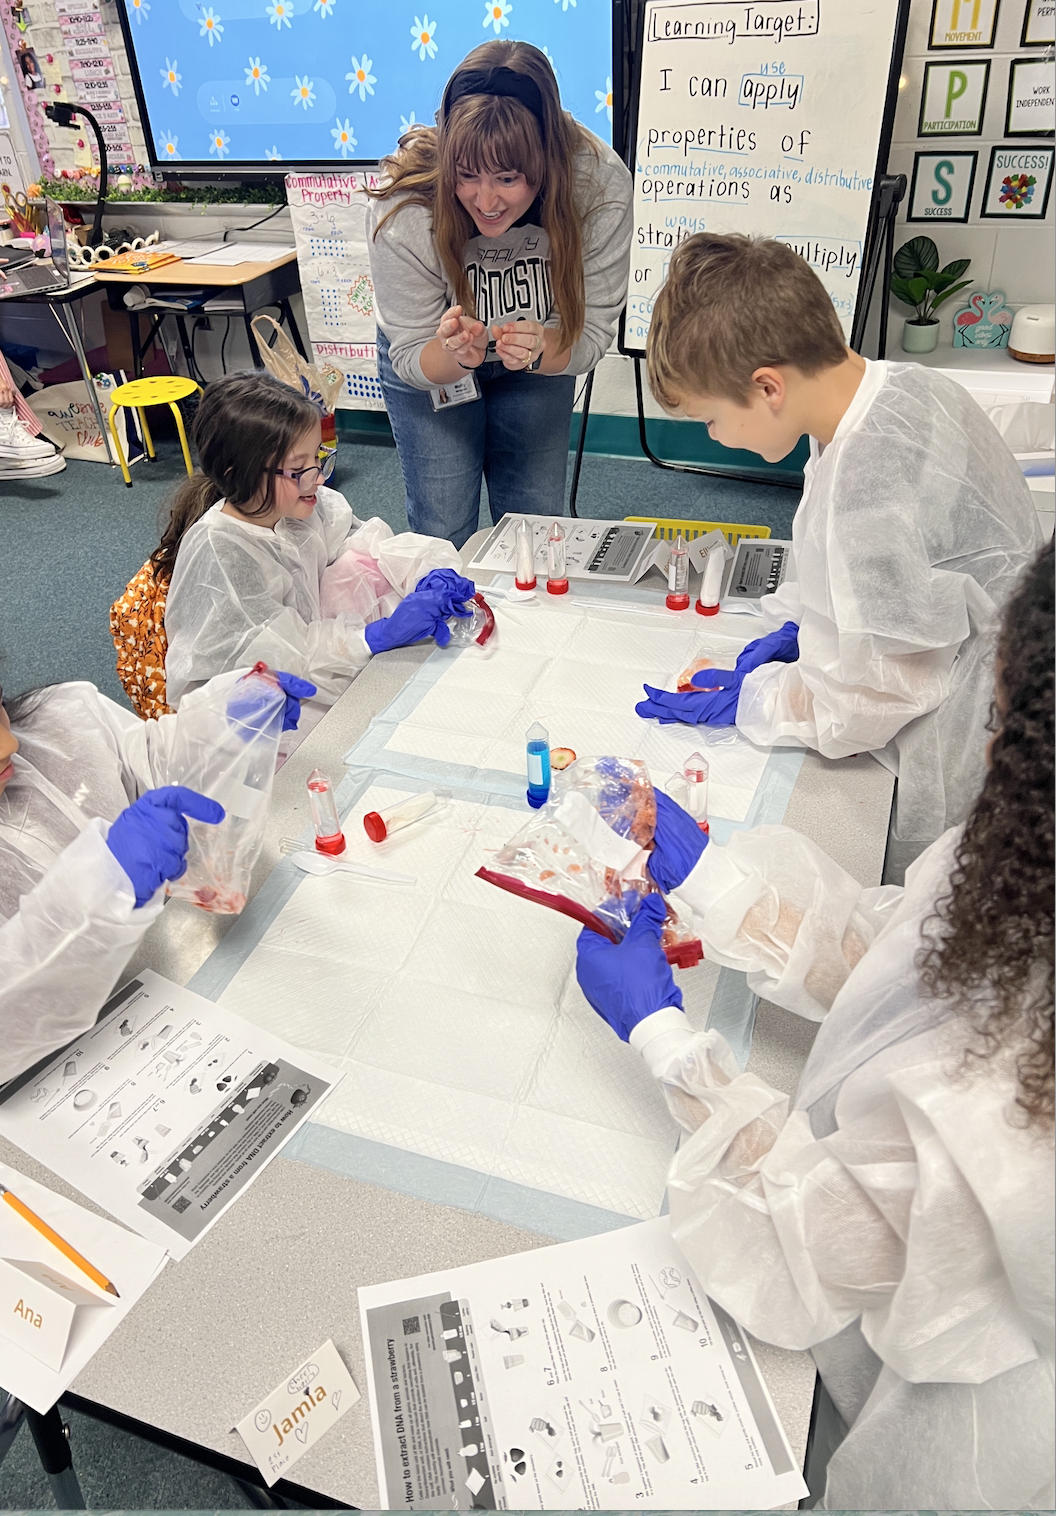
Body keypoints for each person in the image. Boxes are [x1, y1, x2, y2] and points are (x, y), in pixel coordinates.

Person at [577, 539, 1054, 1508]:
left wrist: (669, 1043)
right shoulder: (1032, 857)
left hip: (967, 1448)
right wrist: (710, 877)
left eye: (1005, 713)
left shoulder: (1016, 1106)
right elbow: (916, 962)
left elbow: (828, 1252)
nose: (995, 735)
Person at [635, 234, 1042, 871]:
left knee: (922, 913)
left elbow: (874, 698)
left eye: (710, 419)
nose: (715, 436)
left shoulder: (866, 476)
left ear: (768, 387)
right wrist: (807, 623)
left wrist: (757, 700)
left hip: (966, 739)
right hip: (996, 665)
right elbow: (901, 571)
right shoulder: (888, 392)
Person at [365, 40, 633, 549]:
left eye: (508, 179)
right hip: (433, 365)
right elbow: (408, 355)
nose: (485, 202)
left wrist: (539, 349)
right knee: (443, 532)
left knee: (532, 530)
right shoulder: (405, 205)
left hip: (537, 364)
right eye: (466, 177)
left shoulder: (597, 186)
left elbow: (592, 334)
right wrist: (453, 355)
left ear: (546, 161)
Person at [0, 665, 315, 1084]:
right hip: (62, 1082)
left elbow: (151, 763)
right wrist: (98, 891)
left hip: (176, 990)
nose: (10, 744)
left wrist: (224, 730)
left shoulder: (58, 720)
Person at [127, 373, 474, 718]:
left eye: (318, 458)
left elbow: (366, 544)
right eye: (298, 469)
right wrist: (370, 637)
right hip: (249, 715)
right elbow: (274, 659)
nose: (318, 477)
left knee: (358, 563)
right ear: (240, 474)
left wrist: (427, 570)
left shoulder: (297, 506)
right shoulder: (221, 551)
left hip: (303, 655)